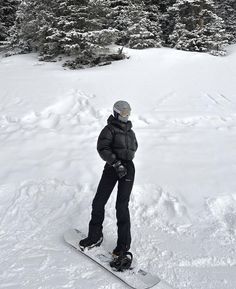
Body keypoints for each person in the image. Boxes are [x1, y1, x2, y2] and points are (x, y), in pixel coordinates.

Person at [79, 100, 138, 258]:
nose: (126, 116)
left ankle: (123, 248)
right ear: (116, 113)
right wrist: (115, 162)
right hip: (112, 168)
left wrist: (125, 164)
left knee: (122, 206)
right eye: (124, 113)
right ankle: (95, 236)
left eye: (128, 113)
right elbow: (102, 148)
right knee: (99, 201)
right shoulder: (109, 129)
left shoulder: (131, 132)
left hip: (127, 170)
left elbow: (134, 148)